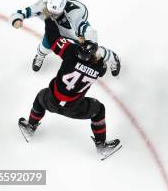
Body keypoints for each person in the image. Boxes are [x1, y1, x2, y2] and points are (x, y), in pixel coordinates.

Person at [18, 18, 122, 160]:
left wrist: (49, 19)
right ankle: (101, 145)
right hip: (76, 108)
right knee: (99, 110)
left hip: (51, 101)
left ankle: (31, 126)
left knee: (40, 97)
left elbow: (53, 37)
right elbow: (102, 64)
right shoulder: (99, 68)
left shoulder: (71, 52)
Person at [9, 0, 120, 75]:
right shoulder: (42, 5)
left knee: (91, 51)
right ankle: (40, 56)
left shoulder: (75, 11)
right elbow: (20, 13)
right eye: (50, 12)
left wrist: (90, 44)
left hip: (74, 33)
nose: (52, 16)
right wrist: (17, 19)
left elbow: (87, 29)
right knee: (45, 46)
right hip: (54, 30)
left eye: (55, 14)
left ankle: (112, 58)